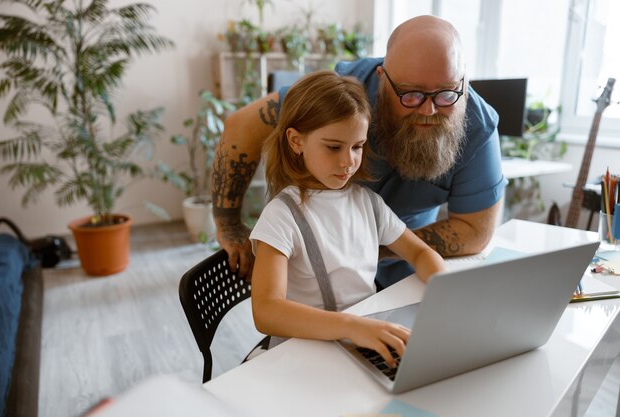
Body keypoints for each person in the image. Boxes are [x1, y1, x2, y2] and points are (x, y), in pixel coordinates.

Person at [212, 15, 507, 288]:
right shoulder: (345, 94)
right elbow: (242, 127)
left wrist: (374, 249)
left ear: (463, 82)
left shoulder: (478, 127)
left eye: (446, 94)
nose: (428, 110)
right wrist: (228, 223)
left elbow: (475, 230)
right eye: (411, 95)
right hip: (312, 268)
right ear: (382, 80)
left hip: (402, 273)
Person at [249, 70, 446, 365]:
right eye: (333, 147)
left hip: (361, 342)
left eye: (357, 146)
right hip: (306, 355)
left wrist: (447, 290)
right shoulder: (281, 216)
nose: (348, 161)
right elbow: (266, 311)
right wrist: (353, 327)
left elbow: (419, 252)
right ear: (296, 141)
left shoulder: (368, 203)